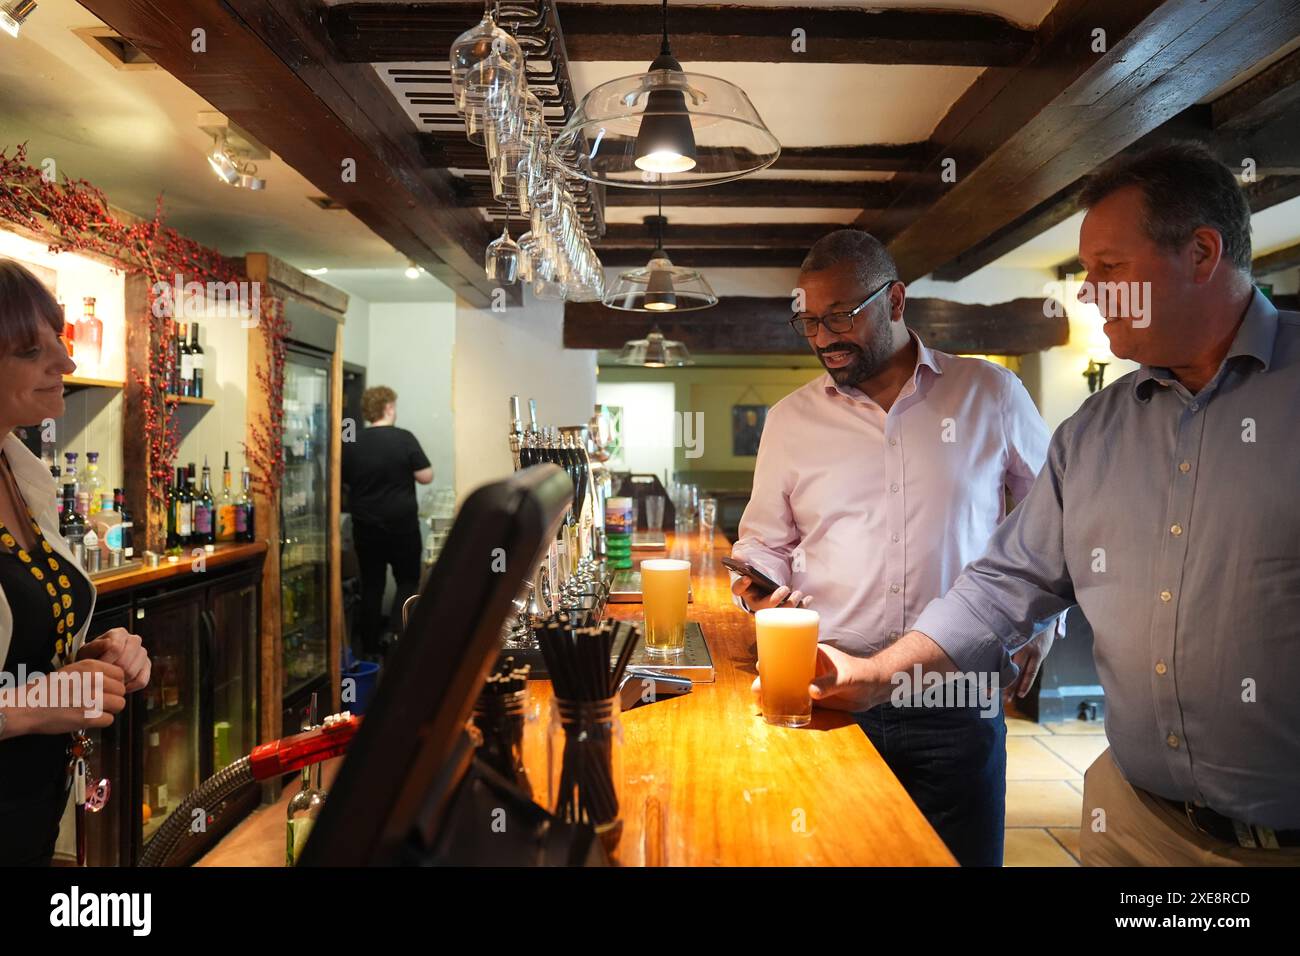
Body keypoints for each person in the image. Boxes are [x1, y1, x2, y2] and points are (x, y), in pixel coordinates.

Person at [802, 144, 1300, 865]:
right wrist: (871, 675)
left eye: (1108, 269)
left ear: (1200, 253)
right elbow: (1002, 587)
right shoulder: (1093, 432)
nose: (1090, 293)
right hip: (1132, 824)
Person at [734, 229, 1056, 866]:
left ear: (897, 300)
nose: (823, 337)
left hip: (954, 693)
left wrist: (1044, 626)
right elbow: (765, 542)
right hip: (831, 687)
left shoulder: (988, 394)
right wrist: (757, 584)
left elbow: (1059, 520)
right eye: (808, 322)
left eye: (839, 317)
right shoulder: (790, 420)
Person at [0, 259, 151, 866]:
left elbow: (25, 646)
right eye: (33, 350)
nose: (65, 364)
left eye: (59, 341)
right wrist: (28, 707)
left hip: (30, 819)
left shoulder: (21, 470)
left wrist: (90, 657)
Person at [342, 385, 433, 658]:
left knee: (371, 584)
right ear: (389, 407)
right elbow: (426, 476)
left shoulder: (353, 441)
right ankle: (396, 637)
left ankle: (368, 648)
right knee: (407, 579)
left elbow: (343, 481)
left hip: (365, 526)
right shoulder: (404, 438)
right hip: (401, 526)